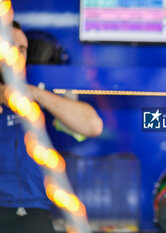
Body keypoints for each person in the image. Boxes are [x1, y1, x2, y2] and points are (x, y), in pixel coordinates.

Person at [0, 21, 103, 233]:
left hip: (31, 211)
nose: (17, 54)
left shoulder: (38, 99)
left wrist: (35, 93)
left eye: (22, 49)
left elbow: (93, 125)